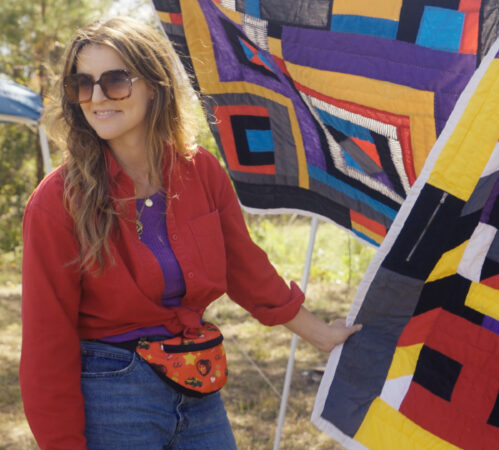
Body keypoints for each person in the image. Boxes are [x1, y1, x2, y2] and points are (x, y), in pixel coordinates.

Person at [20, 17, 361, 450]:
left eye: (115, 80)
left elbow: (245, 267)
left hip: (197, 379)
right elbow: (47, 341)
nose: (98, 97)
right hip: (110, 391)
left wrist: (321, 335)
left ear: (154, 86)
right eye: (82, 84)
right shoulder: (57, 201)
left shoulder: (200, 171)